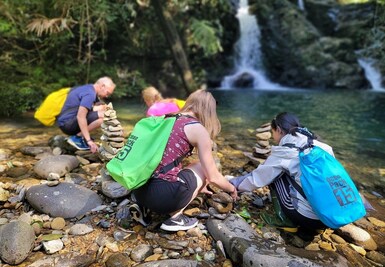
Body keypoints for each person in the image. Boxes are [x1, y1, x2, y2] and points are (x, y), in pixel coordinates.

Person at [129, 89, 238, 231]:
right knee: (200, 167)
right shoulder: (198, 129)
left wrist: (199, 185)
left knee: (188, 164)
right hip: (162, 197)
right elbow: (213, 176)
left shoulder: (166, 118)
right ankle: (175, 218)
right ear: (210, 111)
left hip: (138, 190)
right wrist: (232, 188)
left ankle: (144, 209)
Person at [230, 112, 334, 230]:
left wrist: (233, 185)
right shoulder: (322, 146)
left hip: (309, 218)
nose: (272, 136)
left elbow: (257, 179)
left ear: (278, 130)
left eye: (272, 132)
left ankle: (284, 219)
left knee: (275, 175)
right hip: (331, 216)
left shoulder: (286, 150)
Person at [57, 77, 116, 153]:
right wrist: (89, 141)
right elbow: (80, 117)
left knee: (103, 111)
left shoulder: (88, 88)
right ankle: (77, 138)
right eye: (107, 93)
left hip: (65, 122)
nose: (107, 96)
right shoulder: (90, 93)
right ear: (102, 86)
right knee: (104, 116)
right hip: (67, 124)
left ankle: (81, 136)